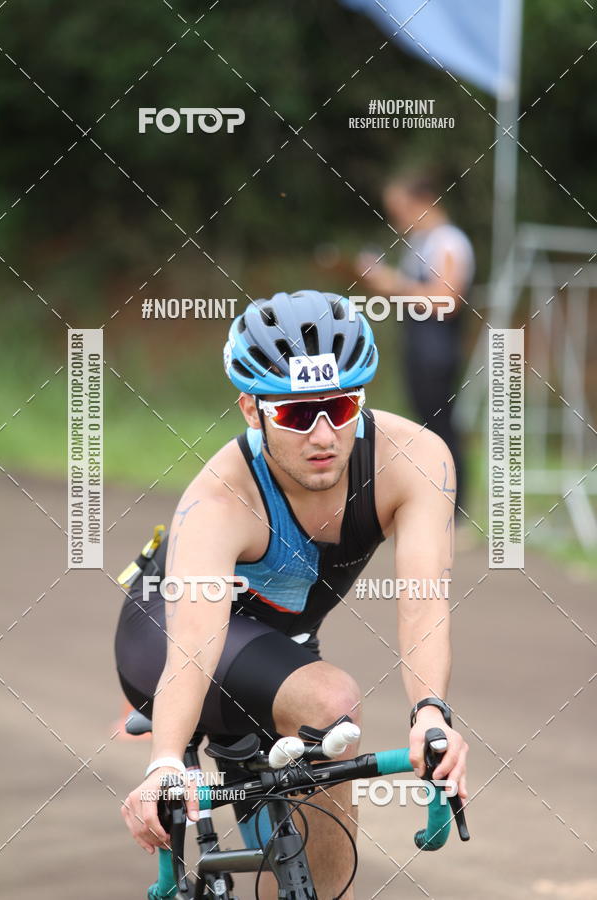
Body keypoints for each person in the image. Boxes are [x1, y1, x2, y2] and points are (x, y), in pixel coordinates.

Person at [116, 289, 468, 899]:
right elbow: (194, 646)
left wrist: (431, 716)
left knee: (324, 790)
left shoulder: (414, 460)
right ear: (251, 411)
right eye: (298, 414)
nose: (324, 434)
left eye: (341, 405)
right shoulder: (220, 499)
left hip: (284, 640)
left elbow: (423, 602)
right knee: (331, 701)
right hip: (168, 633)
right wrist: (166, 762)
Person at [358, 172, 475, 517]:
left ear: (424, 202)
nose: (397, 219)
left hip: (438, 352)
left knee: (442, 431)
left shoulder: (449, 242)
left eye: (401, 209)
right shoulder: (422, 243)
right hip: (420, 348)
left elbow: (447, 300)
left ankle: (455, 511)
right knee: (425, 428)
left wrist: (393, 282)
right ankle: (433, 503)